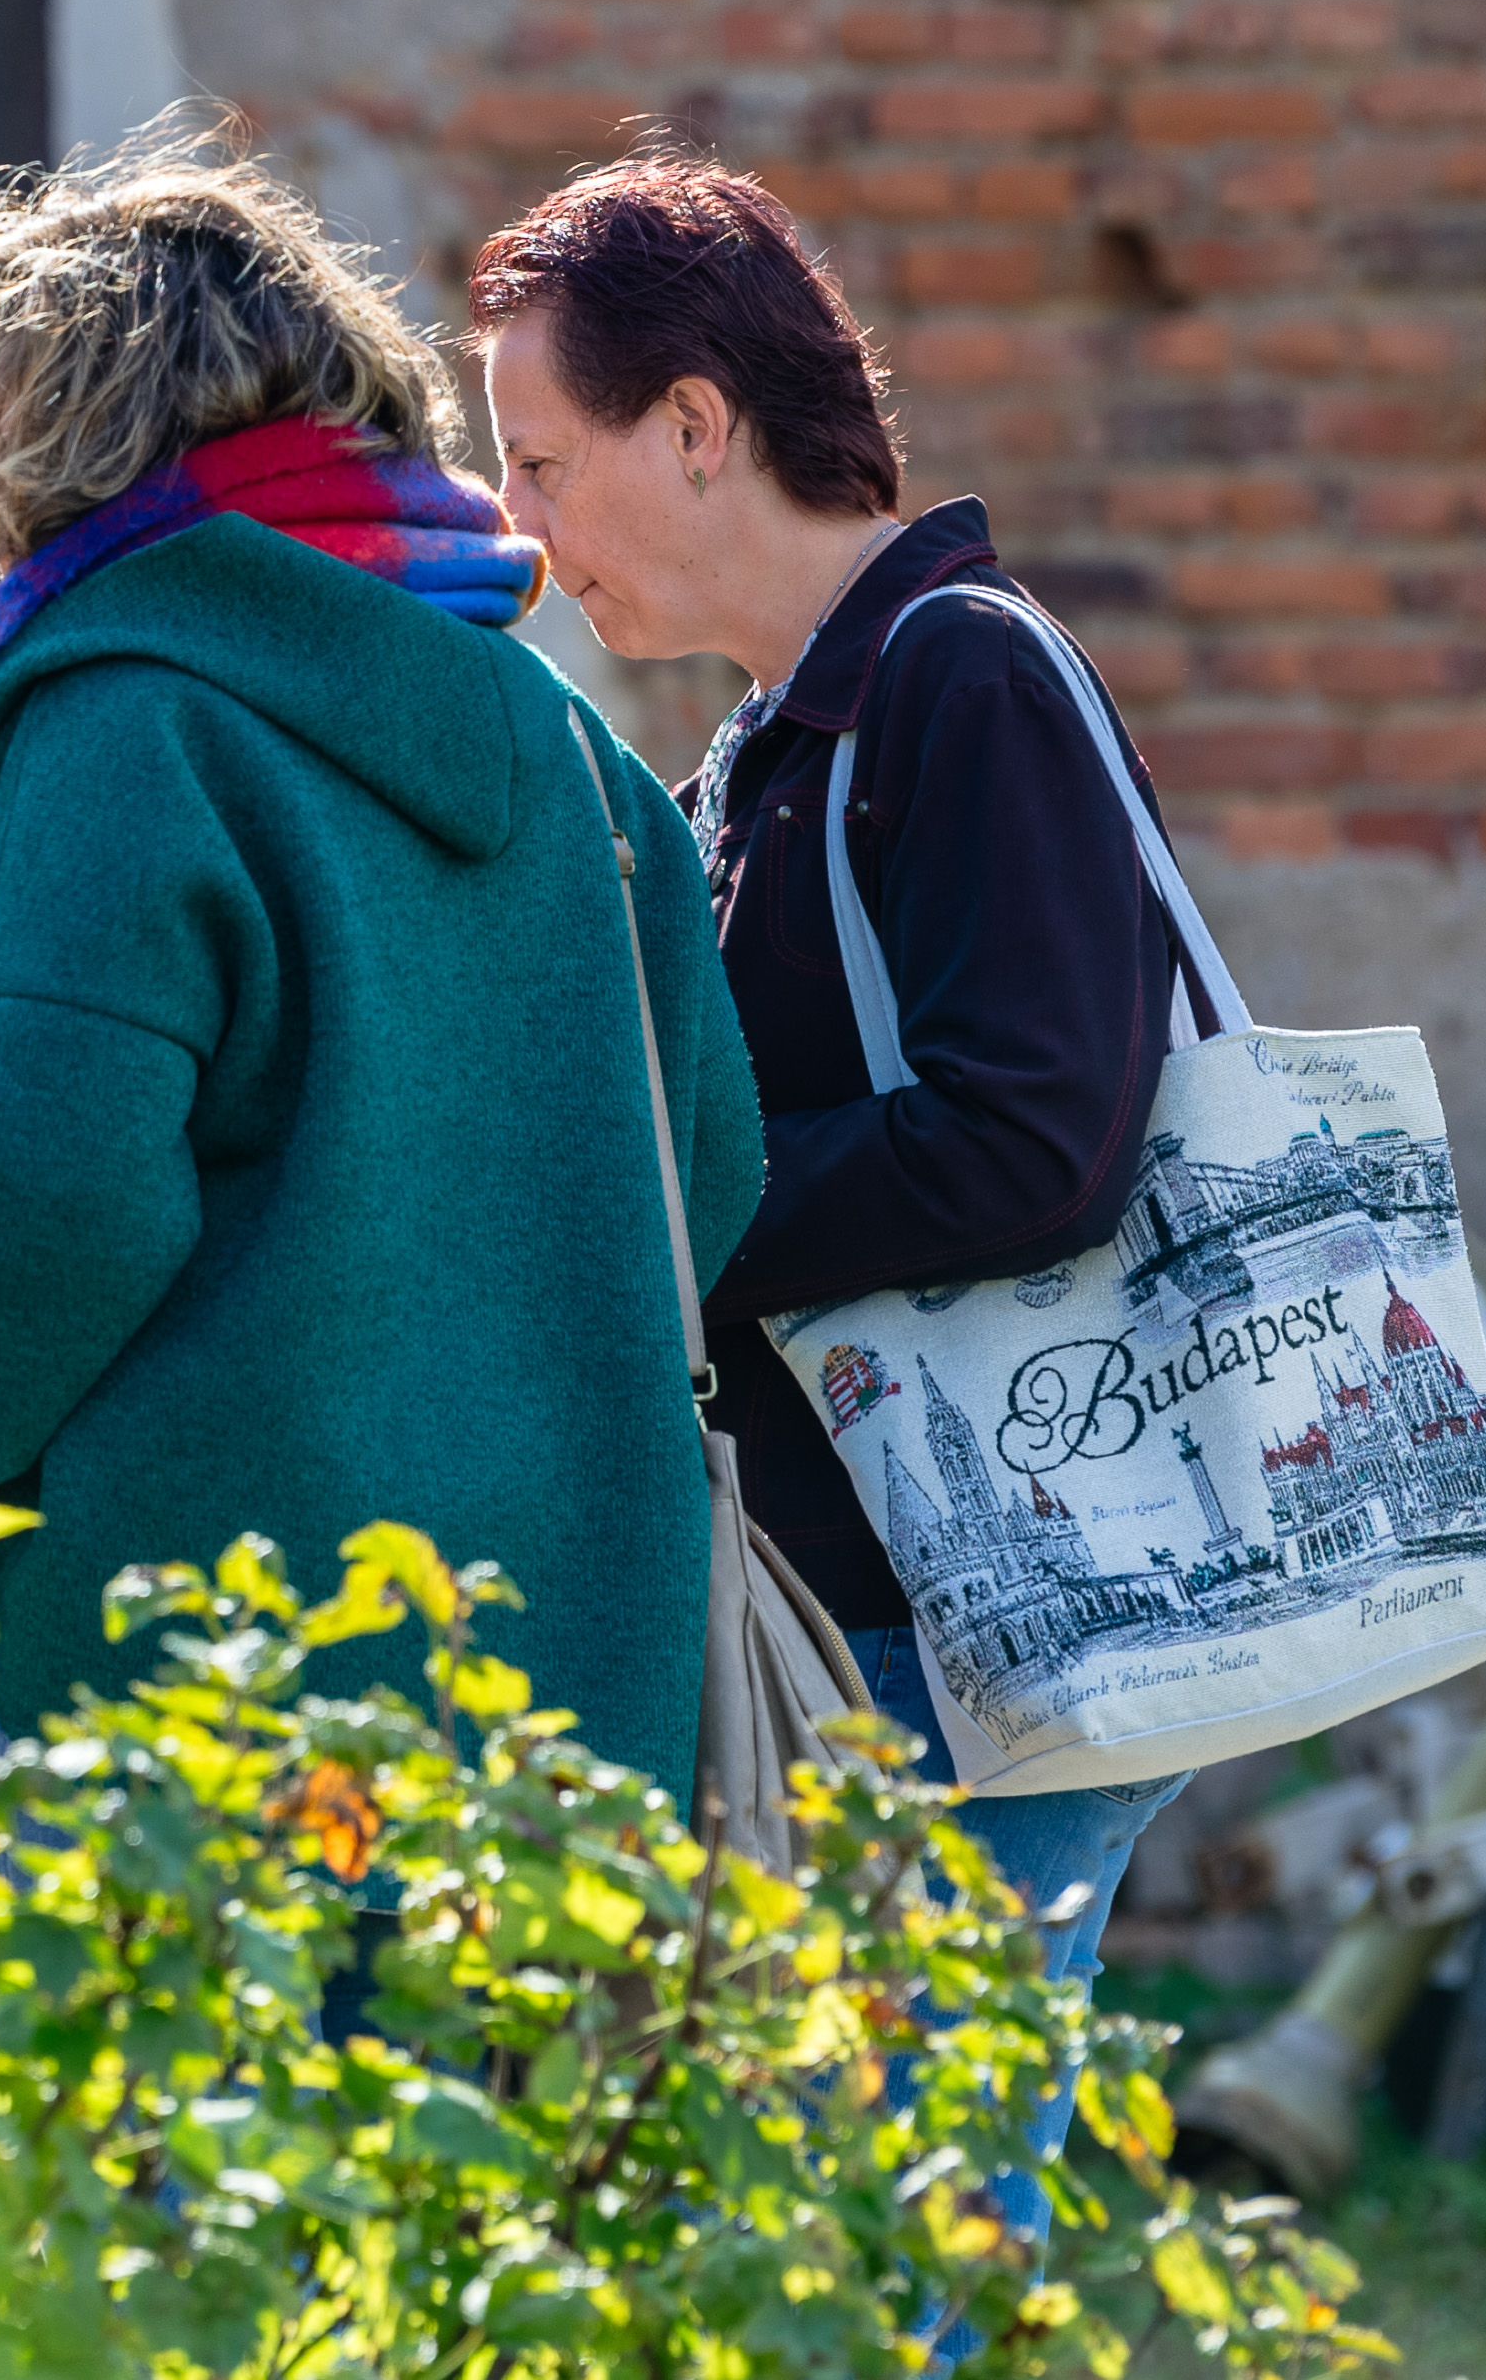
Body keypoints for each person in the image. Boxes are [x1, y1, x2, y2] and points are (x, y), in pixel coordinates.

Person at [0, 142, 762, 1804]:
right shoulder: (572, 751)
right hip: (556, 1681)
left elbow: (50, 1212)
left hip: (179, 1686)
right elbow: (717, 1173)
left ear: (63, 434)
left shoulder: (122, 718)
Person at [468, 151, 1194, 1982]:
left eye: (542, 461)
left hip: (971, 1601)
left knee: (914, 2234)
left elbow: (1035, 1143)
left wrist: (660, 1215)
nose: (517, 521)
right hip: (880, 1594)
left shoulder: (960, 675)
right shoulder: (783, 733)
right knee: (864, 2222)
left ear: (695, 424)